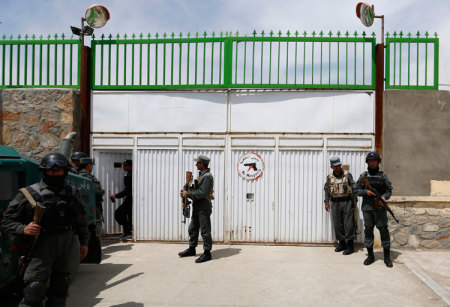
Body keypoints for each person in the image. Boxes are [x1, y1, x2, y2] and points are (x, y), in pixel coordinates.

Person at [0, 152, 89, 306]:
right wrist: (24, 229)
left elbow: (81, 220)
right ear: (44, 171)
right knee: (34, 291)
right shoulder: (29, 193)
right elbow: (6, 220)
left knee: (60, 288)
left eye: (58, 170)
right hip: (40, 244)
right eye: (50, 171)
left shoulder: (72, 193)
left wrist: (84, 242)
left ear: (65, 171)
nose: (54, 173)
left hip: (67, 243)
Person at [354, 152, 394, 267]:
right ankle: (370, 256)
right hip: (367, 208)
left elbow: (389, 190)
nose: (372, 162)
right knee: (368, 231)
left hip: (380, 208)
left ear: (378, 162)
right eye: (370, 160)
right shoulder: (363, 176)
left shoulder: (383, 176)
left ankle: (387, 257)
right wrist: (365, 192)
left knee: (384, 231)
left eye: (374, 160)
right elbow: (356, 190)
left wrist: (384, 197)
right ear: (367, 162)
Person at [178, 155, 214, 263]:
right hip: (197, 206)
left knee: (205, 230)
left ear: (202, 164)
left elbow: (203, 193)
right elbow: (197, 191)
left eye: (197, 163)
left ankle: (207, 253)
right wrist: (186, 193)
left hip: (203, 207)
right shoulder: (200, 176)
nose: (196, 165)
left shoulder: (207, 177)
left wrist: (188, 193)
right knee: (192, 229)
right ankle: (192, 249)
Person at [324, 156, 357, 255]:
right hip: (335, 203)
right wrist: (326, 202)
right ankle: (341, 244)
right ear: (331, 167)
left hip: (347, 202)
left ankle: (350, 246)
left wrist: (355, 200)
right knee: (338, 225)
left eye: (339, 165)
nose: (338, 167)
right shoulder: (330, 177)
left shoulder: (347, 175)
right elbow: (326, 190)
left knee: (348, 225)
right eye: (335, 166)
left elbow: (354, 187)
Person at [109, 159, 133, 240]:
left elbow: (127, 191)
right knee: (128, 215)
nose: (123, 167)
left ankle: (128, 231)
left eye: (125, 165)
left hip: (130, 199)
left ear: (130, 166)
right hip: (130, 199)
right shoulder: (129, 174)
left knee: (118, 213)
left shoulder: (130, 175)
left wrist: (115, 195)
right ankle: (128, 231)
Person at [78, 157, 105, 222]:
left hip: (80, 207)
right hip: (92, 207)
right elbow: (97, 192)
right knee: (95, 226)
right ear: (88, 165)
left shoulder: (76, 176)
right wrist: (102, 191)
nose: (92, 167)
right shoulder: (90, 178)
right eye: (92, 165)